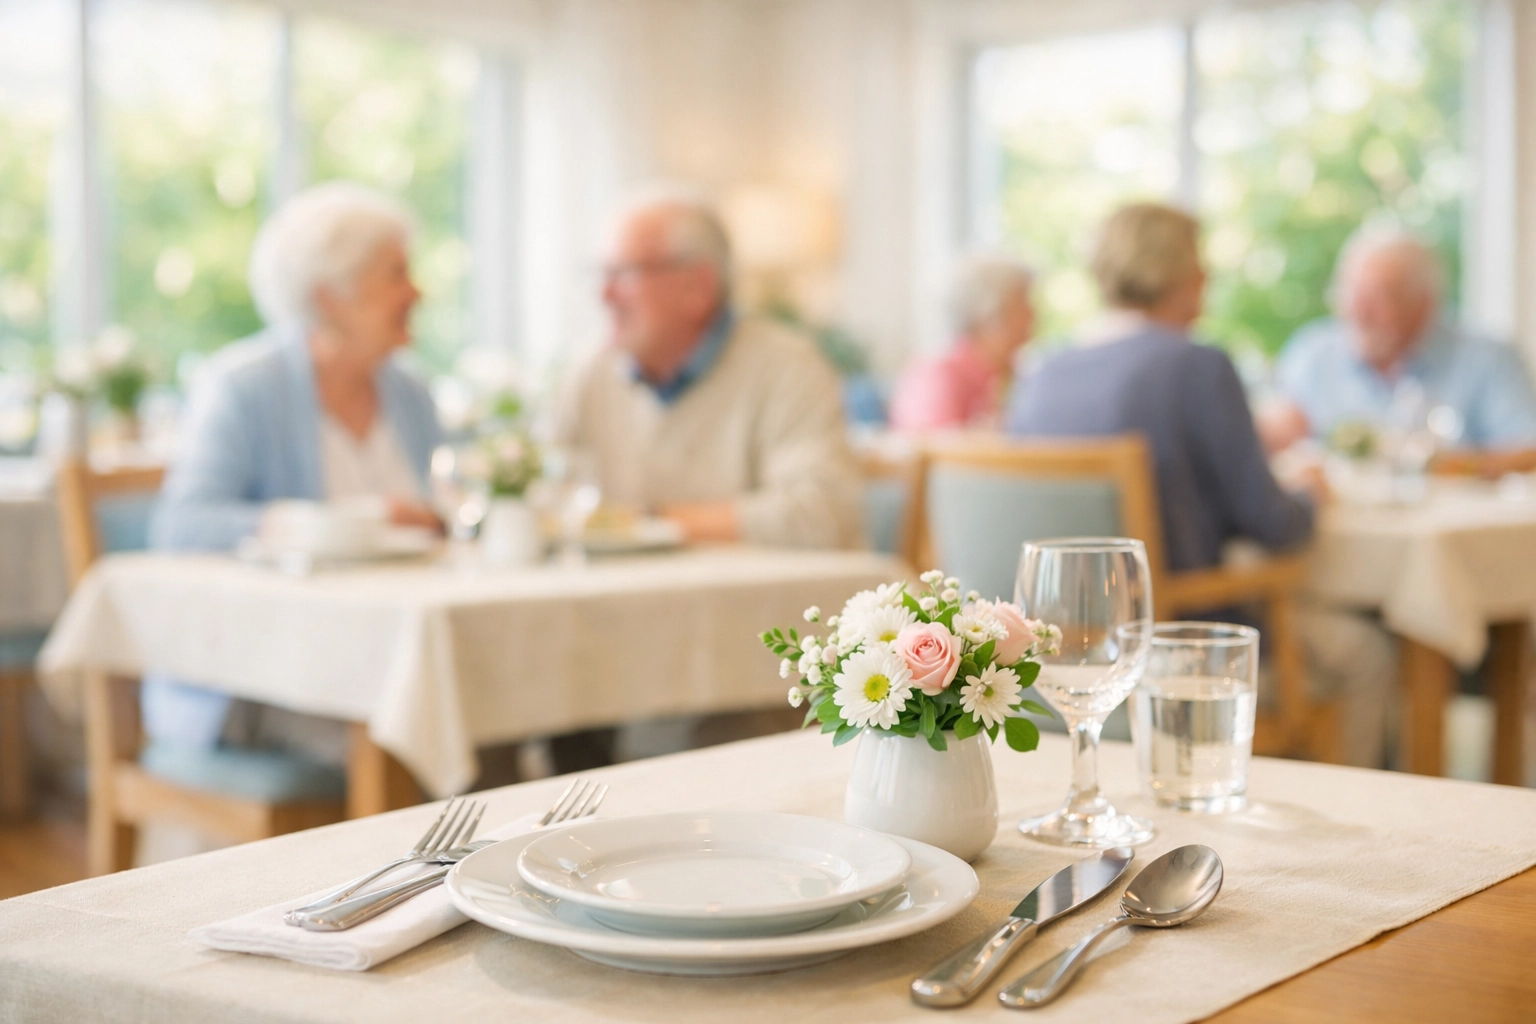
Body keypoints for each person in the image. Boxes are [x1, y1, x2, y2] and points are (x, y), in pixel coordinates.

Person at [146, 182, 443, 756]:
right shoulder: (242, 387)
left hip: (398, 658)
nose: (416, 291)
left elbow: (450, 508)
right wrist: (346, 524)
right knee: (413, 737)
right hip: (273, 680)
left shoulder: (410, 393)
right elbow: (184, 526)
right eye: (396, 274)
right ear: (330, 297)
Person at [1005, 202, 1316, 573]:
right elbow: (1273, 524)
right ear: (1182, 273)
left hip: (1054, 605)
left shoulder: (1043, 372)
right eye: (1199, 261)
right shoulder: (1198, 366)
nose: (1206, 275)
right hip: (1174, 607)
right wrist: (1310, 494)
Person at [556, 189, 862, 549]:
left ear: (697, 286)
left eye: (625, 273)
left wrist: (646, 522)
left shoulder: (790, 370)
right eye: (601, 273)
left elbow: (821, 517)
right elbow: (547, 499)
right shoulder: (591, 373)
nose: (603, 295)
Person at [1261, 227, 1536, 453]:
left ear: (1425, 303)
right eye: (1350, 293)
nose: (1360, 312)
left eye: (1378, 297)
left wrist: (1451, 468)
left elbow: (1528, 451)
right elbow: (1272, 439)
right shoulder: (1311, 354)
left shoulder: (1488, 359)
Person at [889, 255, 1035, 431]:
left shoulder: (1019, 374)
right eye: (1023, 302)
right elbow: (933, 442)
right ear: (992, 312)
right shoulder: (937, 375)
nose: (1033, 313)